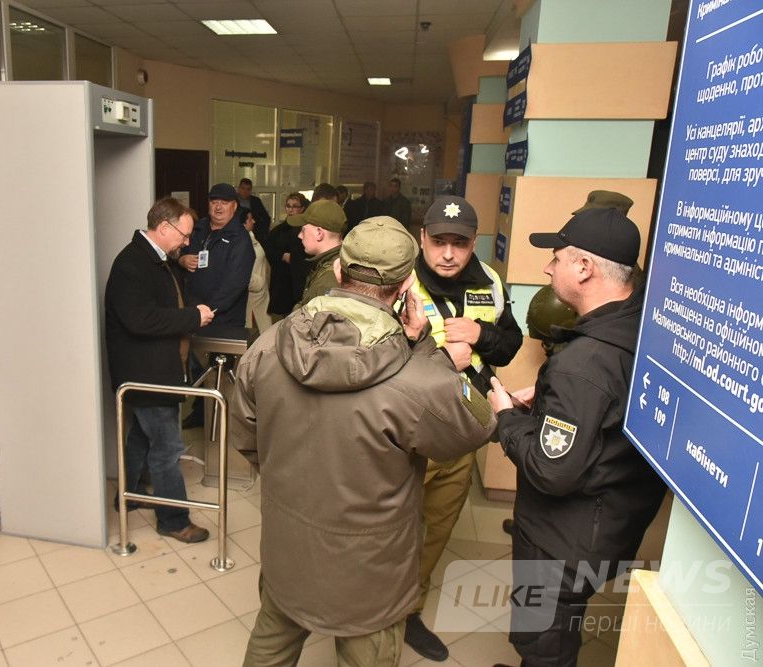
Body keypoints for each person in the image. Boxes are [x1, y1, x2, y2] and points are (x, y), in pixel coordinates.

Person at [232, 217, 496, 667]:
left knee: (271, 643)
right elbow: (476, 427)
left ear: (338, 270)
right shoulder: (418, 378)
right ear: (406, 287)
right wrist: (425, 348)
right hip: (370, 573)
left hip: (287, 547)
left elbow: (247, 438)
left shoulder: (269, 346)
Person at [487, 207, 666, 667]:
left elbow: (552, 472)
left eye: (557, 257)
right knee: (554, 632)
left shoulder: (583, 366)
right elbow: (601, 416)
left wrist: (507, 418)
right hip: (606, 526)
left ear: (584, 267)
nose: (548, 268)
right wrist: (552, 403)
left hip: (559, 544)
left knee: (543, 644)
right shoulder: (639, 326)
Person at [404, 195, 523, 661]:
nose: (449, 254)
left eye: (460, 243)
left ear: (474, 243)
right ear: (422, 238)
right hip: (409, 432)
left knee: (437, 525)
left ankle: (409, 610)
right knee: (392, 527)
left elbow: (510, 343)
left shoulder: (489, 281)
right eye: (439, 242)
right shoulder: (402, 280)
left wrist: (480, 336)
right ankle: (374, 609)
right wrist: (437, 357)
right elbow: (373, 362)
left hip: (464, 431)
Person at [105, 197, 215, 544]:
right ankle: (173, 520)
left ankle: (129, 494)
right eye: (184, 235)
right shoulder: (131, 264)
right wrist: (192, 316)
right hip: (146, 373)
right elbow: (140, 319)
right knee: (167, 448)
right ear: (164, 228)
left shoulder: (157, 260)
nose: (187, 241)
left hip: (153, 370)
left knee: (141, 436)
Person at [179, 183, 255, 329]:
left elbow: (234, 285)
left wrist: (206, 310)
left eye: (224, 203)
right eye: (214, 202)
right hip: (190, 313)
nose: (218, 207)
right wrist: (181, 259)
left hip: (223, 320)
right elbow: (175, 251)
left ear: (234, 206)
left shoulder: (240, 239)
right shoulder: (197, 228)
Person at [287, 199, 346, 309]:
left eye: (303, 230)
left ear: (319, 233)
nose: (299, 235)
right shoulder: (333, 263)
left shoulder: (328, 281)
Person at [265, 193, 308, 319]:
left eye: (295, 206)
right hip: (282, 279)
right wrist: (282, 255)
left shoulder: (307, 229)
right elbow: (269, 250)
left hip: (300, 279)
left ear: (302, 208)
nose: (291, 209)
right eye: (288, 206)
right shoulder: (278, 230)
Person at [241, 209, 272, 333]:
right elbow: (240, 270)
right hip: (251, 294)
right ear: (243, 223)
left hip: (261, 295)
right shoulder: (241, 242)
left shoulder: (251, 236)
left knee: (265, 332)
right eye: (250, 219)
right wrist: (258, 283)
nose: (253, 221)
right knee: (251, 333)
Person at [237, 178, 272, 243]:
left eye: (248, 189)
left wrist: (263, 233)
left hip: (255, 235)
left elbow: (266, 218)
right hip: (237, 233)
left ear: (251, 190)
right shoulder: (233, 201)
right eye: (243, 188)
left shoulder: (256, 201)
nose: (245, 191)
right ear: (239, 189)